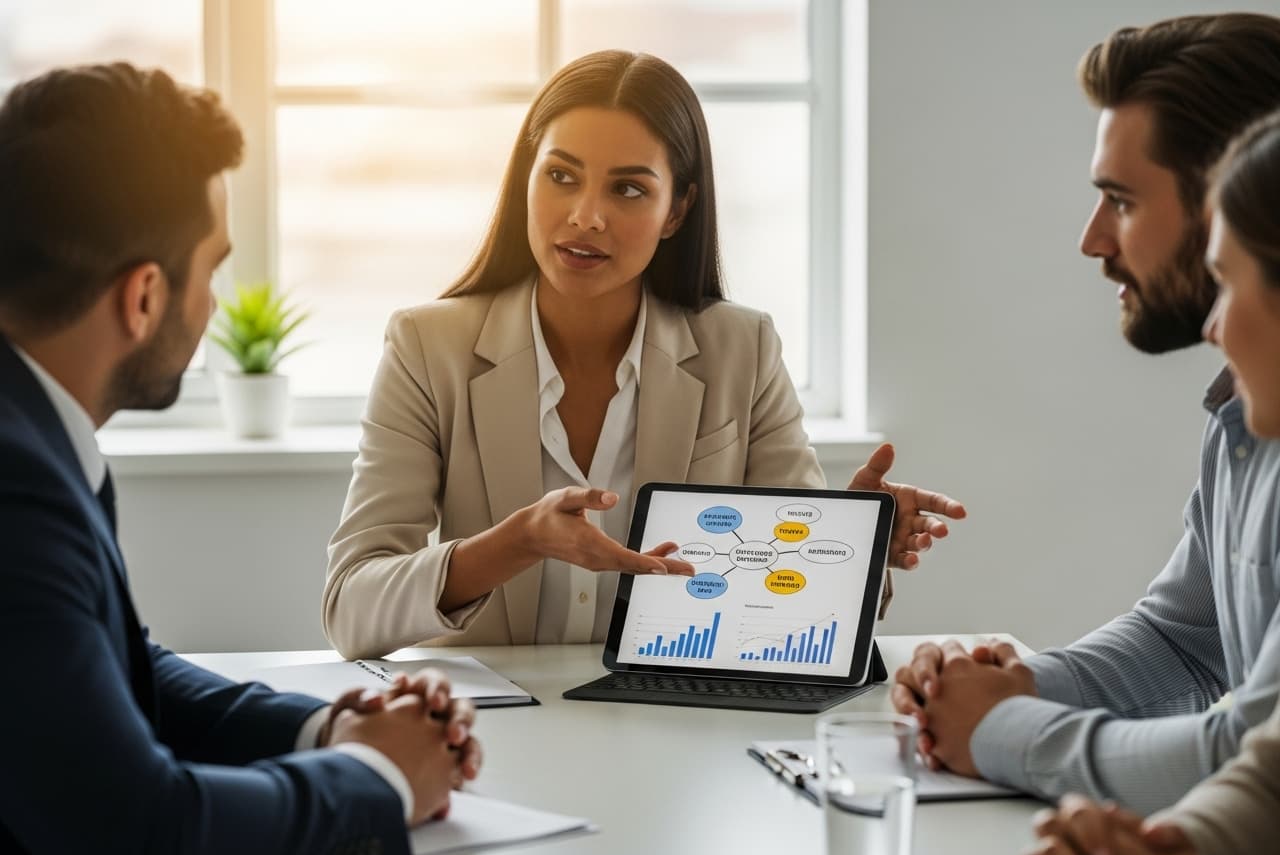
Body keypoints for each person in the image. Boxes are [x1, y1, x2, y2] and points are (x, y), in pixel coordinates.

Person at [0, 63, 480, 855]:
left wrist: (330, 729)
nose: (214, 305)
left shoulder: (32, 431)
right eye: (210, 270)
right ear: (143, 297)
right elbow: (145, 838)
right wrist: (379, 780)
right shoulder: (15, 491)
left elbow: (118, 670)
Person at [323, 50, 966, 657]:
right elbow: (350, 608)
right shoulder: (427, 346)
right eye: (560, 176)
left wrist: (855, 548)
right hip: (488, 731)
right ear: (526, 179)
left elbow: (794, 613)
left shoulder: (742, 349)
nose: (585, 216)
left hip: (675, 719)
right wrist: (513, 544)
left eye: (627, 190)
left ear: (677, 209)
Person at [889, 12, 1280, 814]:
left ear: (1228, 207)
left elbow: (1253, 760)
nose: (1092, 240)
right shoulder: (1241, 419)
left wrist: (1002, 730)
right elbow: (1182, 641)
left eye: (1121, 202)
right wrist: (1016, 685)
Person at [1023, 108, 1280, 855]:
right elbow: (1268, 775)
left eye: (1229, 279)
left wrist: (1000, 728)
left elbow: (1239, 742)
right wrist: (1160, 852)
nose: (1213, 325)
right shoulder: (1238, 420)